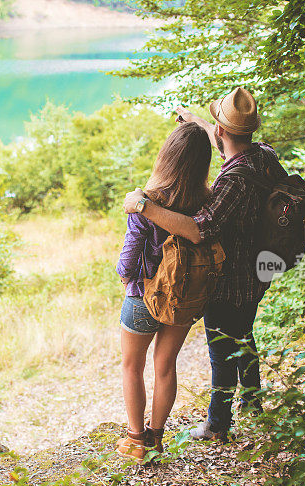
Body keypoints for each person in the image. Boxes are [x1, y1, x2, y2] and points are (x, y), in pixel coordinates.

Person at [123, 87, 287, 442]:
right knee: (243, 334)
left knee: (221, 352)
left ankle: (218, 425)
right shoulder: (263, 156)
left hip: (230, 277)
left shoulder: (232, 181)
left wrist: (143, 206)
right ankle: (254, 402)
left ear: (223, 132)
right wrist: (197, 124)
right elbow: (229, 146)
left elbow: (200, 230)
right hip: (259, 271)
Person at [115, 121, 213, 461]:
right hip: (184, 295)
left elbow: (127, 263)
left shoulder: (147, 203)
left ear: (166, 158)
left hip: (144, 296)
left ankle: (135, 440)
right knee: (166, 365)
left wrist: (125, 279)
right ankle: (157, 439)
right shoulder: (207, 202)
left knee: (131, 366)